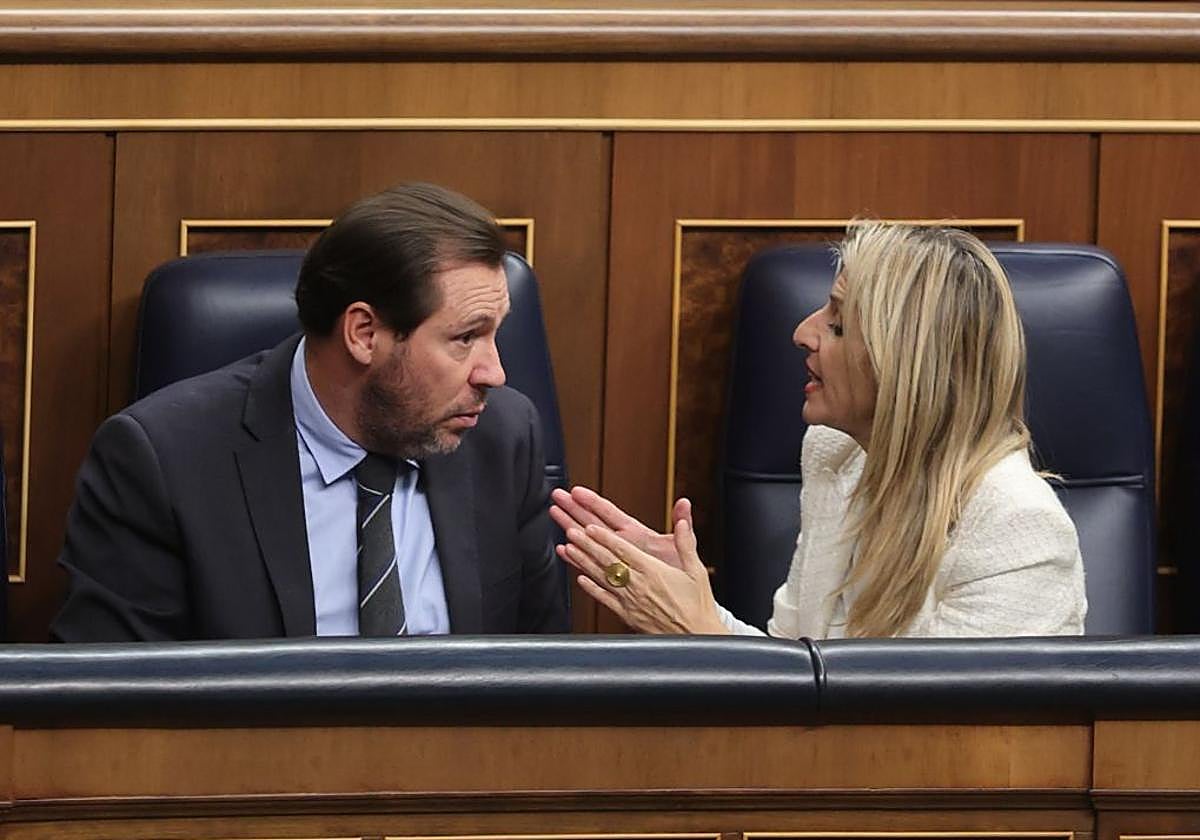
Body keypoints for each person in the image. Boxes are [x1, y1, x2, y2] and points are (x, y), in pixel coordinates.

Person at [53, 182, 569, 641]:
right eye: (466, 338)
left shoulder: (503, 434)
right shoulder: (162, 461)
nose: (494, 374)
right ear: (364, 334)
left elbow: (539, 669)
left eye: (496, 333)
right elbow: (112, 697)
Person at [552, 222, 1086, 638]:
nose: (802, 333)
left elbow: (928, 740)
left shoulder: (1016, 530)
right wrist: (693, 605)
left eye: (838, 324)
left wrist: (698, 629)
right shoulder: (839, 456)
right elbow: (797, 670)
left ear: (903, 364)